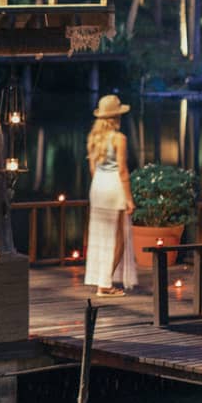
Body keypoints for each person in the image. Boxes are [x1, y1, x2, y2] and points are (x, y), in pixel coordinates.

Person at [84, 94, 137, 296]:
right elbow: (123, 170)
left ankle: (102, 281)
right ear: (116, 118)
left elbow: (92, 169)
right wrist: (129, 199)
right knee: (118, 239)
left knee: (101, 236)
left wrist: (100, 184)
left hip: (98, 186)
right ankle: (105, 284)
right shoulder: (119, 139)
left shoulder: (93, 138)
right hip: (114, 186)